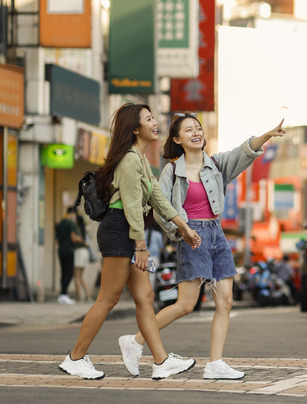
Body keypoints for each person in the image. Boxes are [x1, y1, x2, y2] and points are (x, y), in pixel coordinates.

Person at [118, 111, 285, 380]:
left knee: (226, 301)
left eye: (199, 129)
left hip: (217, 233)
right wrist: (179, 231)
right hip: (191, 234)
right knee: (186, 305)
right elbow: (161, 210)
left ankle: (215, 363)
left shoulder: (216, 165)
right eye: (189, 130)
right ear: (177, 139)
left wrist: (267, 135)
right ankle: (135, 341)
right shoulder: (172, 170)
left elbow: (244, 152)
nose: (197, 133)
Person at [59, 103, 202, 380]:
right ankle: (75, 357)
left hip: (127, 230)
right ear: (135, 129)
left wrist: (184, 227)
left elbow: (159, 199)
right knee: (108, 298)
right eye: (149, 119)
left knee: (145, 297)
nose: (155, 122)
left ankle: (160, 361)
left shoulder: (141, 161)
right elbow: (133, 207)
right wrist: (141, 247)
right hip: (119, 230)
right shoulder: (128, 160)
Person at [55, 208, 82, 305]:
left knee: (63, 273)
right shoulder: (71, 224)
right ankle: (64, 294)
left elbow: (57, 239)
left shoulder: (61, 223)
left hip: (61, 250)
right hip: (69, 251)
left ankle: (62, 295)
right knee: (69, 273)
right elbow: (73, 238)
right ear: (72, 213)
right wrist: (79, 239)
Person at [72, 211, 92, 303]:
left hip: (79, 252)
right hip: (85, 252)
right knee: (81, 277)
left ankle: (79, 297)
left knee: (76, 276)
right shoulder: (85, 230)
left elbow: (76, 239)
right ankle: (88, 296)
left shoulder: (76, 229)